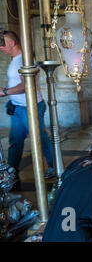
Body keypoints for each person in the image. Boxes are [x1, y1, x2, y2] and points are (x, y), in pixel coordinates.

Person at [0, 30, 54, 187]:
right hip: (18, 107)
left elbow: (26, 85)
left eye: (2, 43)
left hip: (31, 107)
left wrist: (5, 92)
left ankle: (53, 167)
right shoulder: (15, 59)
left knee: (40, 138)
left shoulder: (25, 59)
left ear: (11, 42)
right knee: (15, 140)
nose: (0, 47)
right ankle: (12, 174)